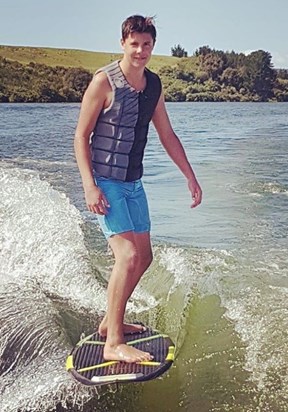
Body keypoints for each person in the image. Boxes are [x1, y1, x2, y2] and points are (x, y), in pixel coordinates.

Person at [74, 15, 202, 363]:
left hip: (133, 182)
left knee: (144, 257)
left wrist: (189, 175)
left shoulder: (154, 86)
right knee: (127, 256)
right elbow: (80, 137)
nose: (141, 51)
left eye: (147, 45)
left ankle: (108, 323)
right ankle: (113, 342)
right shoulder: (104, 82)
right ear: (123, 44)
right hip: (106, 182)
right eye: (135, 44)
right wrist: (89, 186)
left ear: (152, 46)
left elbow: (167, 134)